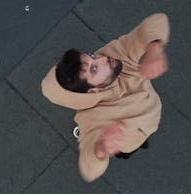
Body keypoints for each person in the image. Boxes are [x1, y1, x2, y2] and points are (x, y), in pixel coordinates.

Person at [41, 13, 170, 182]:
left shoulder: (115, 55)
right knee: (126, 151)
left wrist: (155, 48)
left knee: (135, 144)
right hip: (130, 139)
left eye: (92, 56)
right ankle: (128, 150)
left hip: (150, 115)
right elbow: (89, 169)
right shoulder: (90, 120)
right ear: (92, 92)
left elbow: (157, 20)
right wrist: (101, 149)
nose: (102, 58)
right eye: (94, 69)